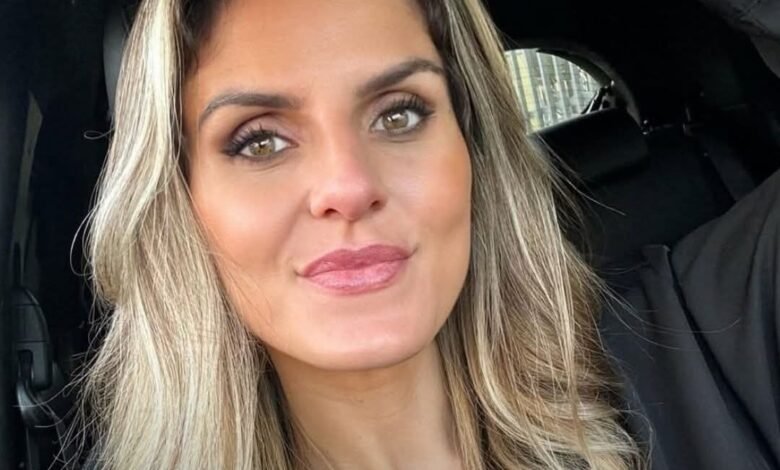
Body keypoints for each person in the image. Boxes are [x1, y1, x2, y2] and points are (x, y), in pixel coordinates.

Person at [76, 0, 778, 469]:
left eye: (399, 114)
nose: (349, 185)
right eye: (259, 141)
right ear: (179, 205)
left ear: (473, 151)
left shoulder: (707, 339)